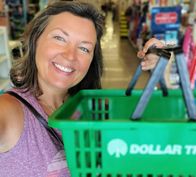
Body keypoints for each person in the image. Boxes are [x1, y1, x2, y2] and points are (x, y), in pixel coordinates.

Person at [0, 1, 164, 177]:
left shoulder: (88, 107)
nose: (70, 56)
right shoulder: (10, 111)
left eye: (84, 48)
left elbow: (157, 135)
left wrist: (162, 71)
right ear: (35, 40)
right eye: (59, 38)